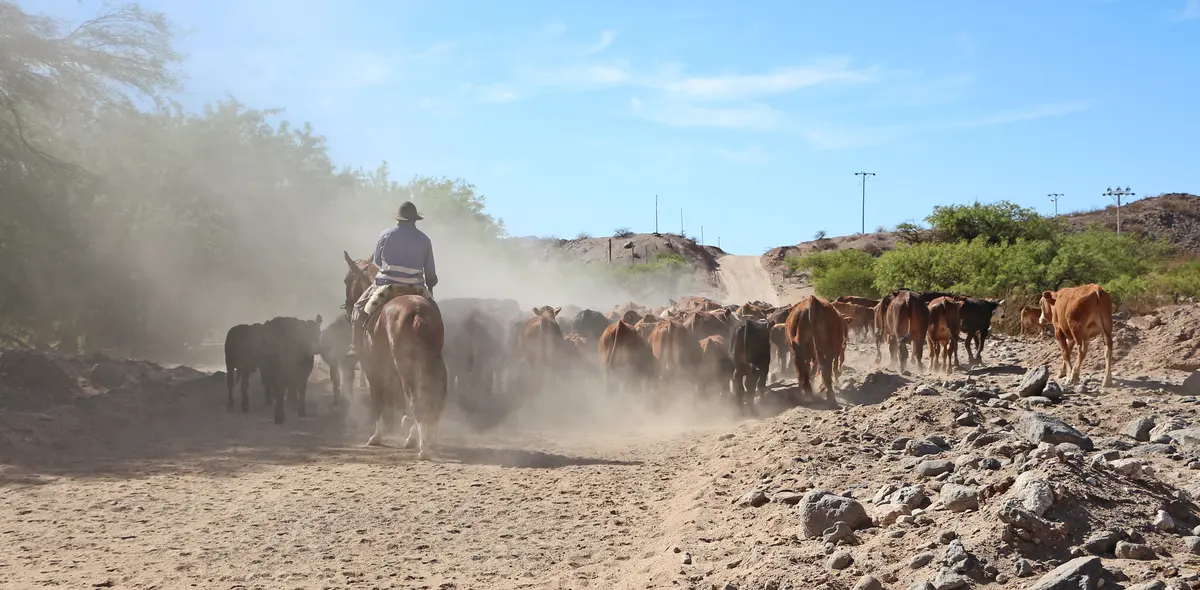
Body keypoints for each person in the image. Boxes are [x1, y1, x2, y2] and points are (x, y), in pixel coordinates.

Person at [346, 201, 438, 359]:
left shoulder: (386, 235)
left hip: (387, 285)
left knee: (358, 308)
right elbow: (430, 273)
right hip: (416, 287)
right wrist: (430, 285)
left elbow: (379, 262)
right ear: (415, 220)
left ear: (398, 219)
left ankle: (356, 346)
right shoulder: (425, 240)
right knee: (434, 313)